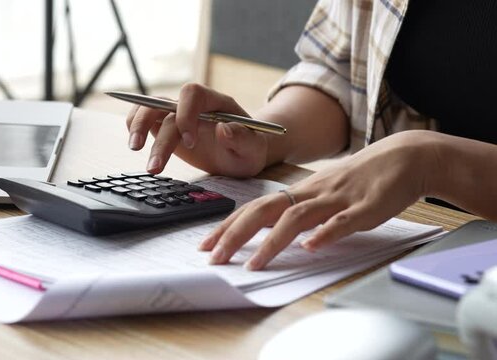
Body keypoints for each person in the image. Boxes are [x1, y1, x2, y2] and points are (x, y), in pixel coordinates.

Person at [125, 0, 497, 271]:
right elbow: (342, 71)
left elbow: (421, 158)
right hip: (420, 241)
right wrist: (257, 138)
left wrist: (432, 162)